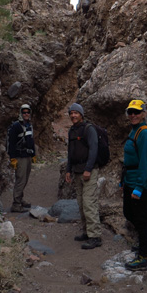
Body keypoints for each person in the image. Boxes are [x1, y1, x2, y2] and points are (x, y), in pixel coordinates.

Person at [121, 99, 147, 271]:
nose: (133, 115)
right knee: (129, 213)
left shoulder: (145, 134)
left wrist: (139, 188)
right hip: (129, 180)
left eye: (136, 112)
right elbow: (129, 160)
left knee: (141, 220)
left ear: (143, 113)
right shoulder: (134, 131)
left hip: (140, 184)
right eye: (130, 112)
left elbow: (144, 162)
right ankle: (145, 243)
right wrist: (123, 181)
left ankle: (143, 258)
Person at [64, 103, 102, 249]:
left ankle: (95, 236)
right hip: (77, 170)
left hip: (89, 172)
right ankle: (87, 232)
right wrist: (68, 170)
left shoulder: (89, 129)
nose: (73, 115)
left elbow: (94, 149)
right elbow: (70, 152)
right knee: (81, 203)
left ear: (81, 114)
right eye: (71, 113)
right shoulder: (72, 130)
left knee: (89, 203)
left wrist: (88, 169)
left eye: (76, 113)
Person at [7, 104, 36, 212]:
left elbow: (31, 140)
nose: (26, 114)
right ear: (20, 113)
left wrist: (33, 154)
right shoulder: (16, 126)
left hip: (27, 156)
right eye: (24, 112)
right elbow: (11, 143)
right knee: (20, 180)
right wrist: (13, 158)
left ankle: (20, 198)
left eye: (28, 112)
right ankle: (16, 204)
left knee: (25, 180)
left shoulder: (29, 125)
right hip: (20, 157)